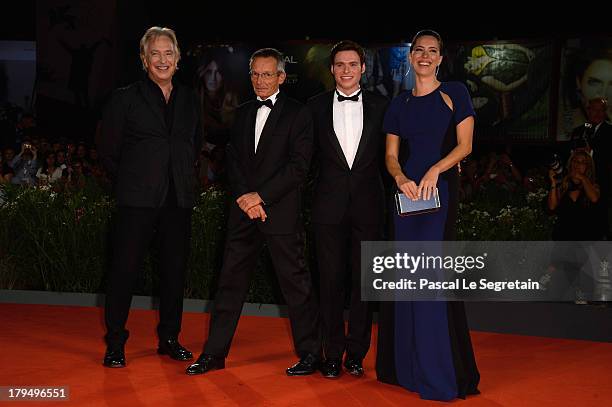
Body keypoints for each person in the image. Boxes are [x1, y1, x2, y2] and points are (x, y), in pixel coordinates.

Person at [186, 48, 321, 376]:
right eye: (255, 74)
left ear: (281, 77)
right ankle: (214, 354)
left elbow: (299, 167)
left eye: (267, 74)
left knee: (296, 286)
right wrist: (247, 198)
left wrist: (260, 196)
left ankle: (310, 354)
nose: (260, 80)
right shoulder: (243, 112)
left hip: (281, 213)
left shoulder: (298, 113)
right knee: (228, 285)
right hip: (244, 214)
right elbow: (233, 159)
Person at [376, 30, 480, 401]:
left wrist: (436, 169)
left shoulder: (455, 93)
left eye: (432, 51)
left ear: (440, 59)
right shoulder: (399, 104)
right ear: (411, 57)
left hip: (438, 195)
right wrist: (401, 177)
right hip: (405, 198)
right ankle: (408, 370)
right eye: (418, 50)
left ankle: (439, 376)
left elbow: (466, 145)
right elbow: (390, 156)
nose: (424, 56)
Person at [98, 26, 201, 368]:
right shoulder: (124, 98)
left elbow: (193, 145)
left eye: (168, 53)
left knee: (174, 272)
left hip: (177, 200)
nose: (162, 60)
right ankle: (115, 342)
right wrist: (133, 180)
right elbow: (108, 150)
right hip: (136, 201)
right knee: (124, 272)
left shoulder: (189, 99)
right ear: (143, 59)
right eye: (154, 54)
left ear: (178, 58)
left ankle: (170, 338)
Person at [307, 40, 388, 378]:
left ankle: (356, 353)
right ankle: (331, 353)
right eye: (340, 64)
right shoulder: (313, 107)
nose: (345, 70)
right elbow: (302, 158)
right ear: (332, 69)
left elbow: (400, 153)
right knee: (329, 282)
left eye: (352, 64)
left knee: (363, 283)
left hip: (369, 206)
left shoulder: (383, 107)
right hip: (327, 206)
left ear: (363, 68)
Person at [195, 47, 240, 146]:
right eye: (209, 72)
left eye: (218, 72)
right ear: (202, 73)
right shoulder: (193, 101)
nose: (213, 78)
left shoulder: (233, 99)